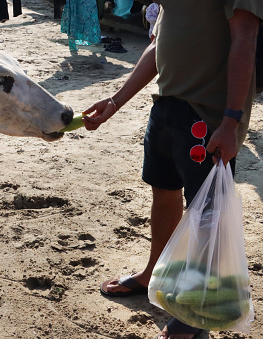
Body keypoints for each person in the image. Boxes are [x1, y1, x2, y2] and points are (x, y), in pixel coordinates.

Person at [81, 1, 262, 338]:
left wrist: (230, 121)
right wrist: (115, 101)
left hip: (208, 115)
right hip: (166, 105)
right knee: (163, 191)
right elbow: (156, 43)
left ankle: (196, 313)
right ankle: (153, 272)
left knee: (207, 213)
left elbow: (245, 38)